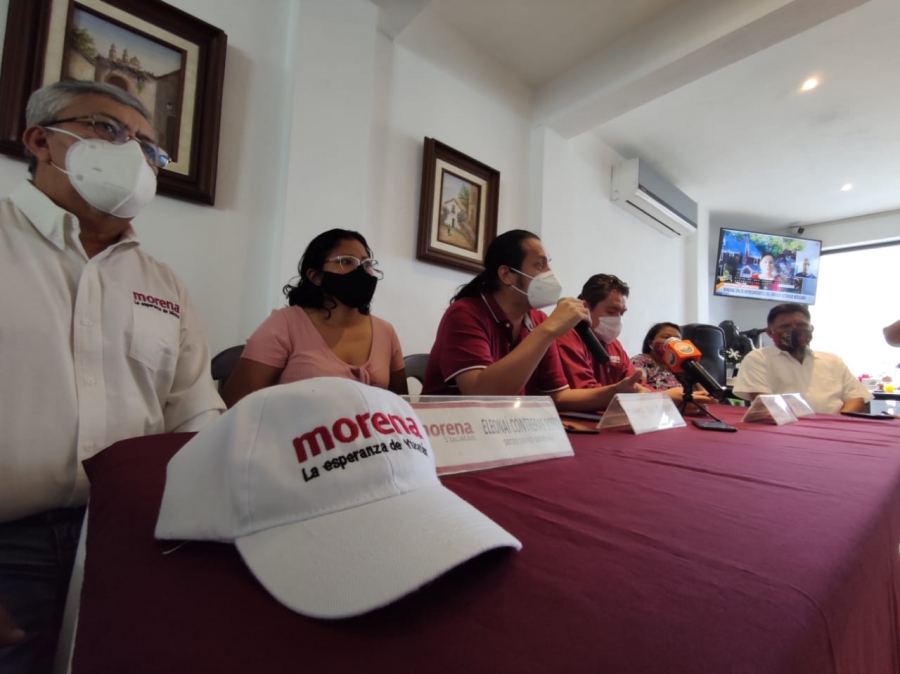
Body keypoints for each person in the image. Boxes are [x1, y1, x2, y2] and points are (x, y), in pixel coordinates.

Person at [0, 80, 224, 672]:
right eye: (107, 128)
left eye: (149, 147)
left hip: (127, 537)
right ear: (40, 141)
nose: (133, 154)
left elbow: (194, 415)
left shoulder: (162, 283)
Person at [422, 230, 642, 411]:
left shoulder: (537, 320)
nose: (550, 273)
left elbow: (558, 396)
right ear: (507, 275)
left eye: (548, 264)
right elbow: (481, 394)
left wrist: (615, 392)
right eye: (540, 265)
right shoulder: (465, 314)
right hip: (453, 432)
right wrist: (548, 330)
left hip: (509, 429)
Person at [223, 229, 407, 407]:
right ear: (316, 276)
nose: (361, 271)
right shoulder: (285, 325)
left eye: (366, 264)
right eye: (346, 261)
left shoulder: (386, 332)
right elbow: (235, 405)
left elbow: (403, 407)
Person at [732, 303, 872, 413]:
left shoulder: (832, 360)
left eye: (801, 325)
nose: (795, 330)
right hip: (786, 431)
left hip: (836, 430)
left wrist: (837, 424)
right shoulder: (758, 358)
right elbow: (766, 404)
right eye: (786, 326)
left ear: (811, 329)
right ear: (770, 332)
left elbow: (855, 399)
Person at [629, 323, 716, 408]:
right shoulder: (641, 361)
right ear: (650, 343)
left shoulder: (681, 364)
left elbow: (704, 395)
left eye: (677, 339)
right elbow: (637, 392)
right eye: (666, 337)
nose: (673, 341)